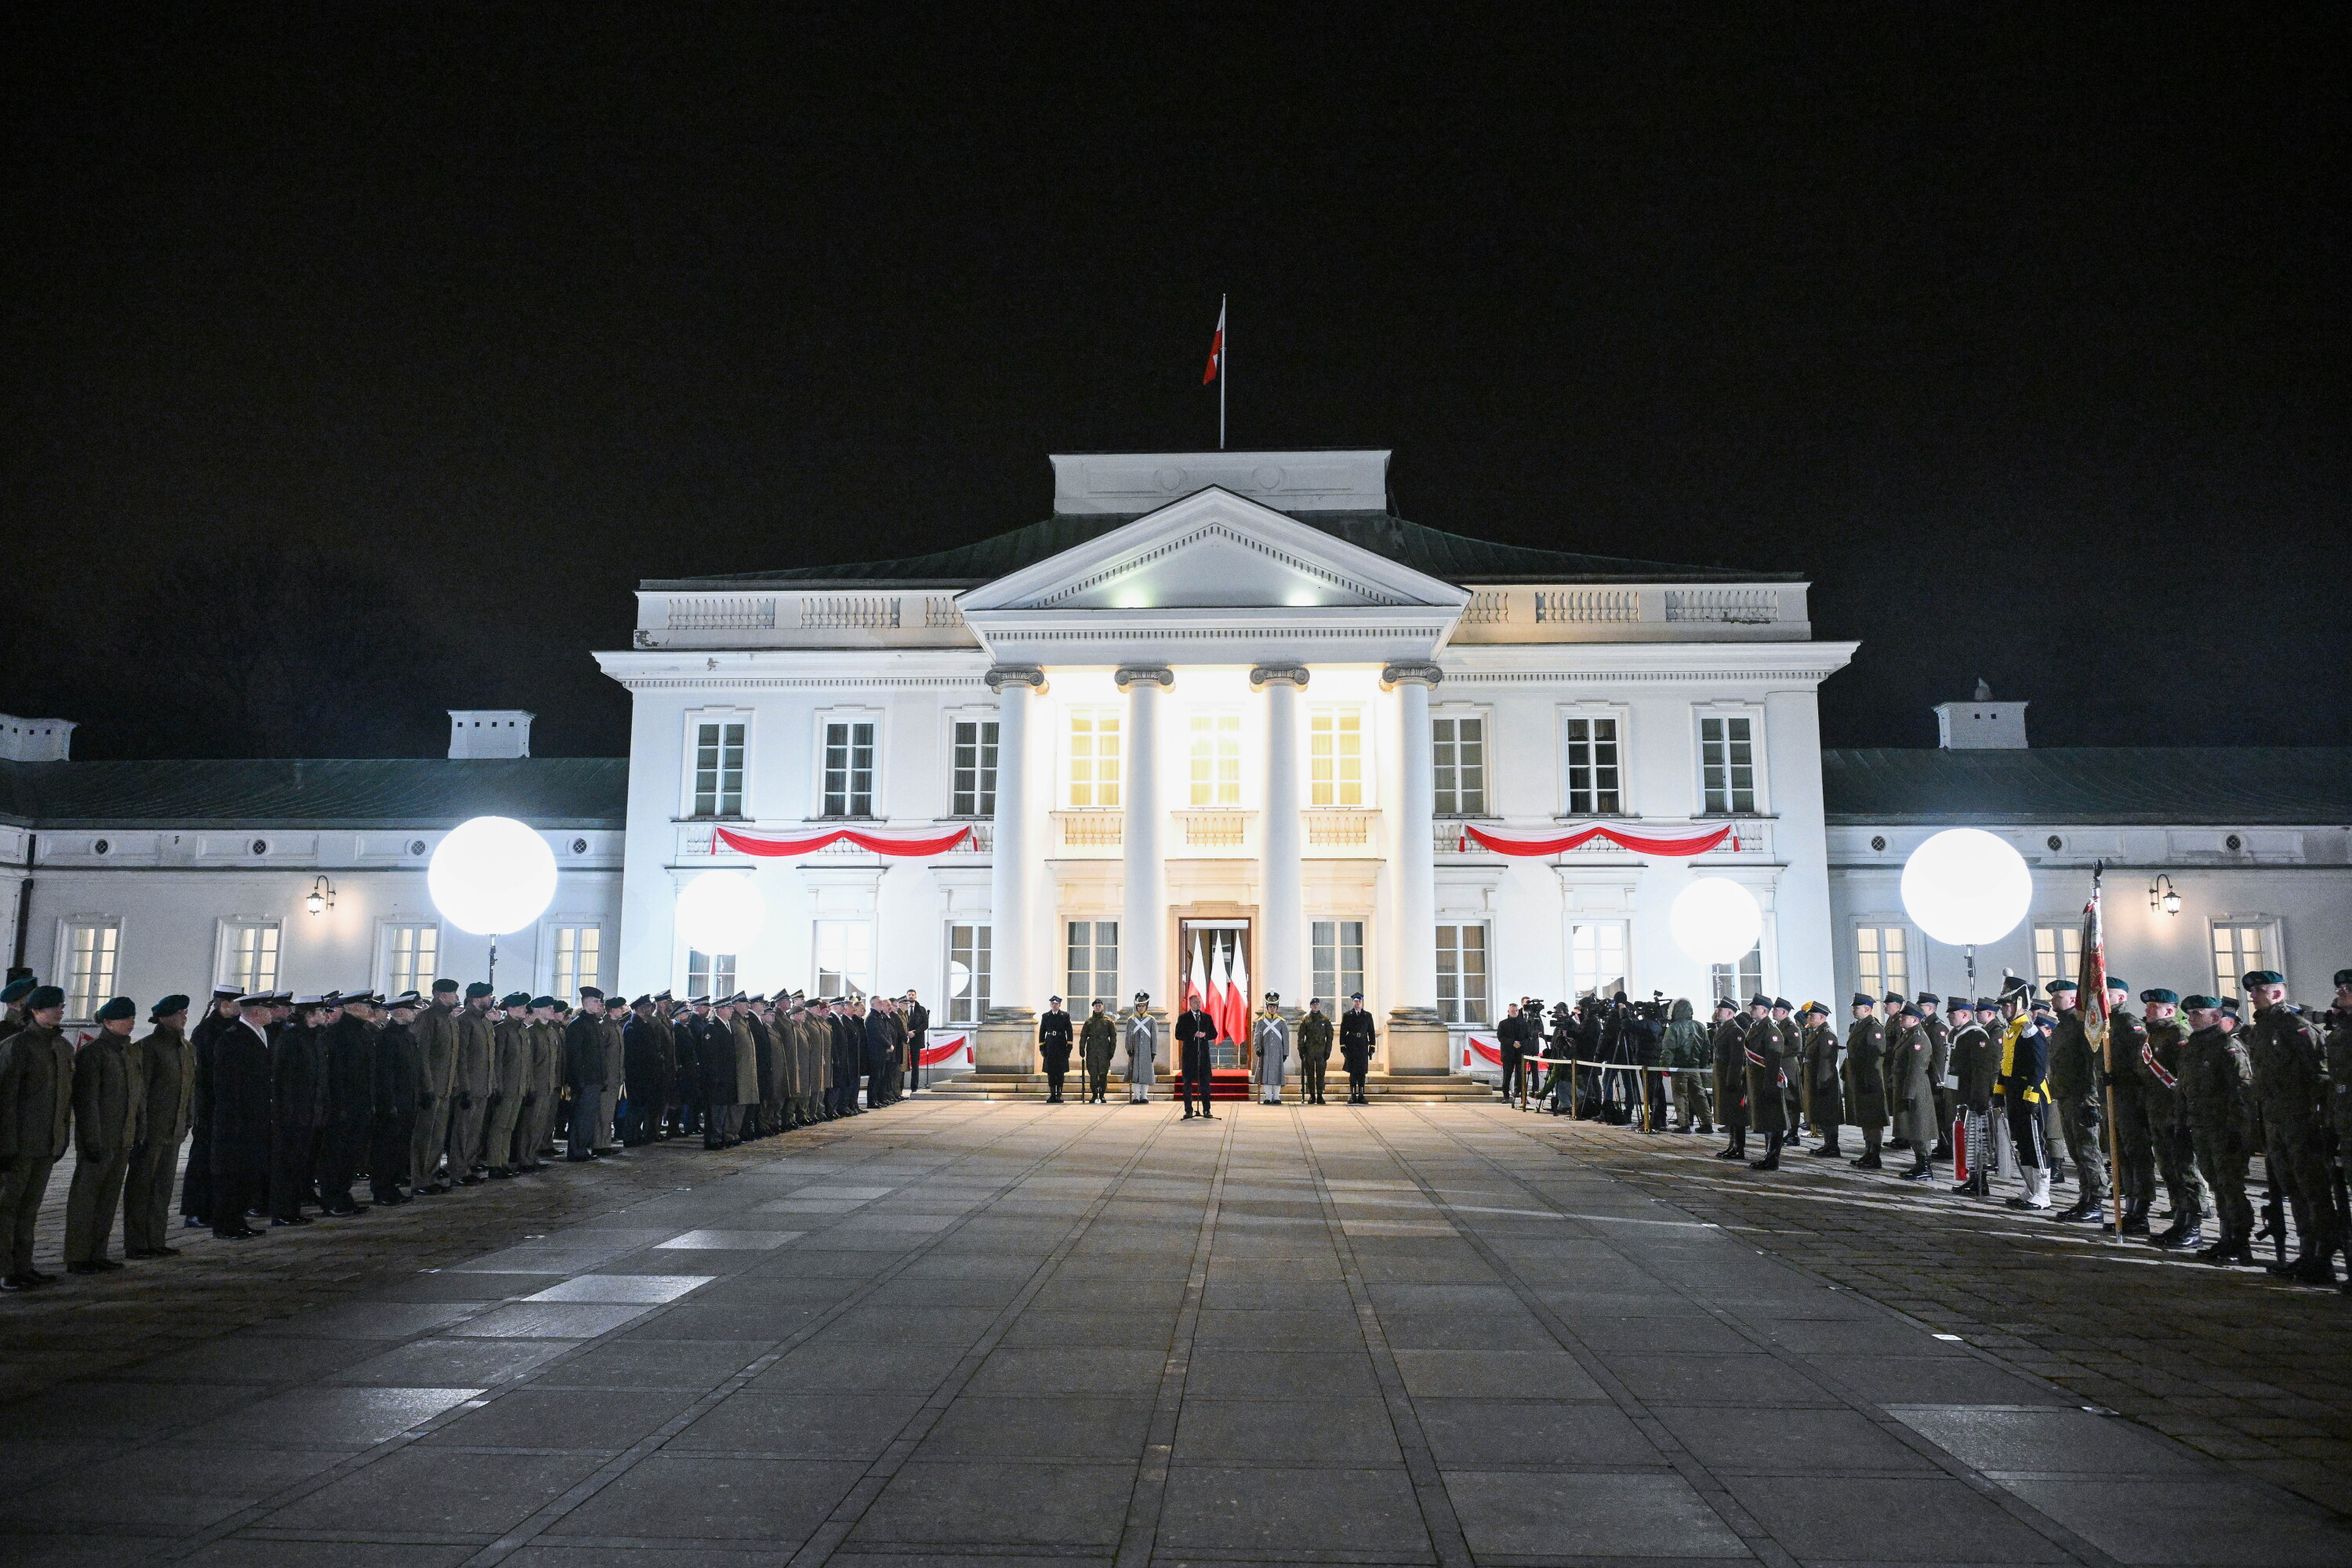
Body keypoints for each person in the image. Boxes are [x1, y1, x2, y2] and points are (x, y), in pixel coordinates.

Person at [2241, 970, 2339, 1283]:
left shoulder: (2297, 1028)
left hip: (2301, 1121)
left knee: (2314, 1190)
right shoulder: (2260, 1030)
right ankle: (2307, 1251)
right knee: (2293, 1189)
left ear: (2278, 994)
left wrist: (2316, 1118)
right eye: (2252, 991)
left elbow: (2321, 1076)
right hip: (2275, 1121)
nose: (2252, 996)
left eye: (2259, 990)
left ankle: (2322, 1256)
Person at [0, 986, 75, 1287]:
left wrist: (62, 1138)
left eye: (61, 1005)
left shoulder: (62, 1047)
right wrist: (5, 1145)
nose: (60, 1011)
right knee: (7, 1209)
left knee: (30, 1209)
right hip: (19, 1143)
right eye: (54, 1007)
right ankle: (6, 1270)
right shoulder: (17, 1046)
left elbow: (64, 1099)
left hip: (46, 1142)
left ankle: (23, 1265)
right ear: (35, 1011)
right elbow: (5, 1100)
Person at [63, 997, 144, 1273]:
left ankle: (97, 1253)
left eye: (132, 1017)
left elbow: (136, 1096)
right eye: (125, 1018)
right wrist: (92, 1139)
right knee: (86, 1199)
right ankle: (78, 1256)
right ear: (108, 1023)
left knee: (108, 1199)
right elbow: (87, 1102)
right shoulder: (93, 1054)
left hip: (123, 1137)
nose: (132, 1022)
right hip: (100, 1138)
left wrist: (137, 1129)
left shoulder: (130, 1053)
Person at [2178, 995, 2256, 1264]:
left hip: (2225, 1128)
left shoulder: (2227, 1046)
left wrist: (2239, 1130)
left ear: (2214, 1017)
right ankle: (2225, 1238)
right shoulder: (2192, 1047)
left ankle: (2239, 1241)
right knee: (2215, 1180)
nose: (2191, 1018)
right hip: (2200, 1125)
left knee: (2230, 1185)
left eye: (2197, 1013)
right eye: (2189, 1014)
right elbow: (2185, 1088)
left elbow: (2243, 1090)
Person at [2134, 989, 2210, 1250]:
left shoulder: (2179, 1035)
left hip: (2176, 1114)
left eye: (2152, 1006)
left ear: (2169, 1010)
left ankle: (2194, 1223)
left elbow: (2184, 1078)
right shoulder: (2152, 1036)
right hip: (2157, 1112)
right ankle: (2179, 1217)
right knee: (2168, 1169)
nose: (2147, 1010)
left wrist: (2184, 1114)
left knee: (2186, 1170)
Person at [123, 995, 194, 1257]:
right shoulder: (148, 1048)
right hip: (152, 1130)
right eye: (179, 1013)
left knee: (162, 1187)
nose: (184, 1016)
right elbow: (142, 1093)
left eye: (185, 1012)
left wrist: (188, 1118)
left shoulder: (186, 1048)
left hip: (174, 1129)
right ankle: (137, 1243)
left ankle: (156, 1239)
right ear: (164, 1017)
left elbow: (189, 1090)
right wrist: (141, 1126)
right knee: (141, 1187)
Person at [209, 993, 275, 1239]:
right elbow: (228, 1085)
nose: (272, 1013)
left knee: (247, 1174)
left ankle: (238, 1220)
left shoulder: (259, 1034)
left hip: (255, 1117)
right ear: (256, 1012)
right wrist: (237, 1119)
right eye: (268, 1009)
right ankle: (225, 1225)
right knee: (232, 1175)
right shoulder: (233, 1039)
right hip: (237, 1121)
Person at [2042, 978, 2108, 1225]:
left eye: (2057, 997)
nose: (2052, 1001)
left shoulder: (2084, 1026)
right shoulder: (2063, 1027)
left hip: (2082, 1099)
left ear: (2072, 1000)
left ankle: (2096, 1202)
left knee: (2089, 1152)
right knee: (2077, 1152)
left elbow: (2091, 1066)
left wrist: (2092, 1103)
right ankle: (2085, 1197)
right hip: (2066, 1096)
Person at [179, 984, 240, 1231]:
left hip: (224, 1106)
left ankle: (214, 1207)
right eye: (237, 1004)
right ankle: (194, 1211)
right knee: (202, 1160)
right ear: (224, 1005)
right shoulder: (206, 1032)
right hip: (209, 1106)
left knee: (221, 1162)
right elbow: (202, 1076)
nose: (239, 1009)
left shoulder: (231, 1029)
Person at [317, 993, 379, 1214]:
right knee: (336, 1155)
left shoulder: (361, 1033)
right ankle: (332, 1199)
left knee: (351, 1154)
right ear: (353, 1007)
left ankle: (343, 1195)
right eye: (365, 1005)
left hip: (359, 1103)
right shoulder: (338, 1034)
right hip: (342, 1105)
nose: (369, 1009)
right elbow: (334, 1074)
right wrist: (339, 1105)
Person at [1998, 981, 2055, 1211]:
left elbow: (2038, 1069)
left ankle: (2043, 1194)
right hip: (2015, 1093)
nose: (2003, 1008)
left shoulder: (2030, 1031)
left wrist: (2030, 1097)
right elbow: (2006, 1064)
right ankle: (2031, 1189)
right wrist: (1999, 1091)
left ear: (2020, 1004)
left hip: (2032, 1095)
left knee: (2036, 1143)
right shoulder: (2012, 1030)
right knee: (2023, 1143)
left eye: (2007, 1004)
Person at [371, 992, 424, 1205]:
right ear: (400, 1012)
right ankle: (383, 1189)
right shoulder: (387, 1038)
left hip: (407, 1100)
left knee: (400, 1148)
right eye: (412, 1010)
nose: (416, 1014)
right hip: (393, 1103)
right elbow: (384, 1074)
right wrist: (388, 1103)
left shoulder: (407, 1036)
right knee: (386, 1149)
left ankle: (392, 1186)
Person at [410, 979, 461, 1194]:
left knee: (438, 1136)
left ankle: (430, 1176)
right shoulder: (428, 1018)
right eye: (453, 994)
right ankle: (420, 1180)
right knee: (425, 1135)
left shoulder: (448, 1019)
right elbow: (422, 1056)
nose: (457, 998)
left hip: (445, 1088)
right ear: (441, 996)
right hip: (432, 1088)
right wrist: (427, 1088)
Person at [1947, 998, 1996, 1196]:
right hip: (1960, 1094)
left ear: (1965, 1014)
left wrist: (1979, 1098)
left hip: (1973, 1096)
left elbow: (1981, 1071)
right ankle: (1973, 1178)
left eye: (1953, 1013)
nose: (1949, 1016)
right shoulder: (1957, 1034)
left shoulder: (1976, 1036)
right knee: (1967, 1140)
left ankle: (1980, 1182)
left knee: (1977, 1140)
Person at [1889, 1003, 1939, 1181]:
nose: (1901, 1018)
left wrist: (1909, 1094)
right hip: (1906, 1086)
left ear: (1915, 1020)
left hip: (1915, 1089)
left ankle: (1925, 1166)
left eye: (1905, 1016)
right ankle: (1919, 1163)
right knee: (1912, 1127)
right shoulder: (1909, 1035)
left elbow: (1916, 1069)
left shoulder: (1918, 1038)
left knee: (1920, 1128)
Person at [1742, 994, 1788, 1169]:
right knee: (1766, 1120)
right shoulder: (1756, 1027)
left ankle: (1773, 1157)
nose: (1750, 1010)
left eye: (1754, 1007)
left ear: (1764, 1010)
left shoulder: (1771, 1030)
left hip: (1769, 1082)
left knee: (1774, 1120)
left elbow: (1774, 1060)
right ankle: (1768, 1155)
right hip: (1757, 1081)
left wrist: (1770, 1086)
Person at [1843, 994, 1887, 1171]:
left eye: (1857, 1007)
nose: (1853, 1010)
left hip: (1870, 1080)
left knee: (1873, 1118)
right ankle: (1868, 1151)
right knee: (1864, 1116)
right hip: (1859, 1078)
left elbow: (1876, 1057)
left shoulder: (1873, 1028)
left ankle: (1874, 1154)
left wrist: (1870, 1079)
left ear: (1867, 1010)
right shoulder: (1858, 1026)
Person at [563, 989, 608, 1161]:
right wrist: (578, 1082)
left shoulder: (594, 1024)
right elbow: (575, 1057)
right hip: (585, 1081)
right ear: (587, 1003)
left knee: (588, 1117)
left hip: (594, 1079)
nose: (600, 1005)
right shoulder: (578, 1025)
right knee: (581, 1117)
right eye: (597, 1002)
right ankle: (576, 1150)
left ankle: (582, 1149)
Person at [1798, 1000, 1842, 1156]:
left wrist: (1822, 1081)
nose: (1808, 1017)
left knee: (1828, 1113)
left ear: (1822, 1017)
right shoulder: (1816, 1032)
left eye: (1812, 1015)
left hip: (1824, 1079)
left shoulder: (1826, 1034)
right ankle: (1828, 1144)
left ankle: (1832, 1146)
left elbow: (1827, 1060)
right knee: (1822, 1113)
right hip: (1814, 1077)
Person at [1662, 998, 1711, 1134]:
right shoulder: (1700, 1026)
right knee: (1699, 1095)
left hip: (1679, 1068)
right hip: (1695, 1067)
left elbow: (1668, 1050)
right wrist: (1702, 1066)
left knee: (1680, 1095)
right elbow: (1706, 1049)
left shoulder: (1673, 1028)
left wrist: (1665, 1066)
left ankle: (1684, 1124)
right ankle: (1707, 1123)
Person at [1709, 999, 1748, 1160]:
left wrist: (1732, 1079)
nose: (1717, 1012)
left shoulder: (1735, 1031)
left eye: (1721, 1010)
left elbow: (1737, 1059)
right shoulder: (1724, 1029)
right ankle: (1732, 1145)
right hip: (1722, 1076)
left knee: (1736, 1116)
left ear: (1730, 1013)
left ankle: (1738, 1147)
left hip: (1731, 1078)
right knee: (1730, 1115)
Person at [1916, 993, 1954, 1161]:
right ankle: (1942, 1144)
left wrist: (1937, 1080)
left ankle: (1946, 1145)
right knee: (1935, 1114)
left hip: (1934, 1079)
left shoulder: (1938, 1028)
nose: (1919, 1009)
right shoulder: (1926, 1024)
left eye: (1922, 1006)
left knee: (1941, 1114)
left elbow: (1939, 1057)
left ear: (1930, 1008)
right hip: (1928, 1077)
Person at [1174, 993, 1216, 1118]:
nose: (1199, 1004)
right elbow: (1178, 1035)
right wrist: (1193, 1035)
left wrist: (1205, 1035)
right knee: (1187, 1084)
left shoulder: (1206, 1017)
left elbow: (1214, 1033)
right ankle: (1188, 1110)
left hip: (1203, 1055)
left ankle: (1207, 1110)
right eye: (1196, 1002)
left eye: (1200, 1002)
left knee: (1205, 1083)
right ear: (1190, 1004)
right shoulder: (1183, 1018)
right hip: (1189, 1056)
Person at [1339, 993, 1377, 1105]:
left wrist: (1372, 1047)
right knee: (1353, 1072)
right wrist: (1343, 1047)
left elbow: (1372, 1032)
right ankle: (1353, 1095)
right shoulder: (1347, 1015)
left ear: (1362, 1002)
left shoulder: (1367, 1016)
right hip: (1351, 1045)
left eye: (1359, 1001)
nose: (1358, 1003)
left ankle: (1361, 1095)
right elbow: (1342, 1032)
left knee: (1362, 1072)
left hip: (1363, 1045)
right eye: (1356, 1001)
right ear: (1353, 1003)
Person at [1254, 993, 1290, 1106]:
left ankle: (1276, 1096)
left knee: (1277, 1074)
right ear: (1267, 1007)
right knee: (1265, 1074)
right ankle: (1268, 1096)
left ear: (1277, 1007)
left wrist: (1285, 1053)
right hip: (1266, 1053)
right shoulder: (1261, 1021)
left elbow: (1286, 1038)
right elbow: (1257, 1037)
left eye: (1274, 1006)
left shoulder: (1281, 1022)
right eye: (1270, 1006)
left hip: (1278, 1053)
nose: (1272, 1008)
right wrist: (1257, 1049)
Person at [1298, 998, 1334, 1106]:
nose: (1315, 1006)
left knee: (1320, 1074)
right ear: (1310, 1006)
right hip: (1309, 1050)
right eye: (1313, 1004)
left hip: (1321, 1051)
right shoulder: (1305, 1020)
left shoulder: (1325, 1020)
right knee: (1309, 1074)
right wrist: (1301, 1050)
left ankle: (1320, 1095)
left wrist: (1328, 1051)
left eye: (1317, 1004)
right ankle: (1312, 1095)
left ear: (1319, 1006)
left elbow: (1330, 1037)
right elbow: (1300, 1037)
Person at [1123, 993, 1156, 1103]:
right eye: (1139, 1006)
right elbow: (1128, 1036)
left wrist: (1153, 1052)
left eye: (1142, 1006)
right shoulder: (1131, 1020)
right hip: (1135, 1051)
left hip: (1147, 1051)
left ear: (1146, 1006)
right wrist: (1129, 1049)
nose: (1140, 1008)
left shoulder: (1151, 1020)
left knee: (1145, 1074)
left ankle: (1144, 1096)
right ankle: (1136, 1096)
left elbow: (1154, 1038)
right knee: (1135, 1074)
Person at [1497, 1000, 1529, 1105]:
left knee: (1521, 1076)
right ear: (1508, 1011)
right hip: (1508, 1054)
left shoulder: (1524, 1023)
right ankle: (1506, 1096)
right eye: (1512, 1011)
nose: (1514, 1012)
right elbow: (1500, 1037)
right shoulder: (1503, 1023)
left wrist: (1521, 1044)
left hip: (1520, 1053)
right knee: (1507, 1076)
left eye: (1516, 1011)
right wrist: (1512, 1042)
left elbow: (1528, 1037)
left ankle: (1521, 1095)